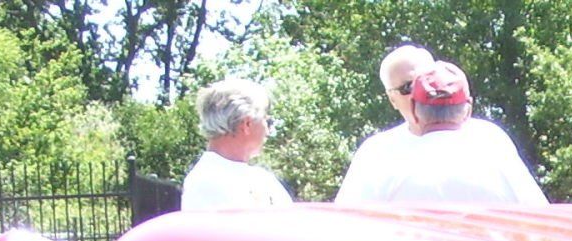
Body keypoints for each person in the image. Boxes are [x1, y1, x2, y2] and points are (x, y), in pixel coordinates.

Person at [337, 59, 547, 207]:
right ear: (468, 109)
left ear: (415, 111)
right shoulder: (493, 143)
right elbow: (540, 219)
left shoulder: (379, 158)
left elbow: (345, 228)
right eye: (406, 86)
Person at [334, 45, 435, 205]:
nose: (423, 91)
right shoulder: (376, 153)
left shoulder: (478, 138)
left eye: (428, 81)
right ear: (392, 99)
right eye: (409, 87)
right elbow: (348, 214)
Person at [180, 79, 293, 212]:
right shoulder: (206, 181)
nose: (268, 131)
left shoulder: (263, 178)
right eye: (266, 121)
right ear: (247, 124)